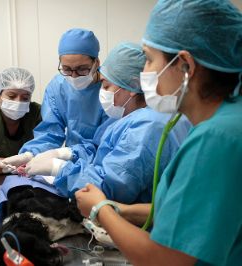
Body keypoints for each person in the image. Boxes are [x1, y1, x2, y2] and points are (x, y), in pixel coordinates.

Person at [76, 0, 242, 265]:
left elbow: (165, 259)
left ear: (185, 65)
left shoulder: (217, 139)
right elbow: (193, 211)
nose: (144, 73)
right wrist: (125, 210)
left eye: (149, 59)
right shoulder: (229, 121)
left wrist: (101, 209)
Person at [25, 42, 191, 202]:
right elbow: (100, 149)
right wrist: (64, 154)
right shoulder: (134, 118)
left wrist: (59, 169)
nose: (101, 93)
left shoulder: (147, 127)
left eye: (106, 85)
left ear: (132, 86)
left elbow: (108, 188)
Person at [0, 28, 107, 170]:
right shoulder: (58, 86)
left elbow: (107, 141)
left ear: (96, 63)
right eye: (67, 69)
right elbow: (50, 131)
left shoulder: (110, 88)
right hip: (72, 163)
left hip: (103, 162)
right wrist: (30, 154)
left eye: (82, 69)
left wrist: (64, 153)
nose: (73, 76)